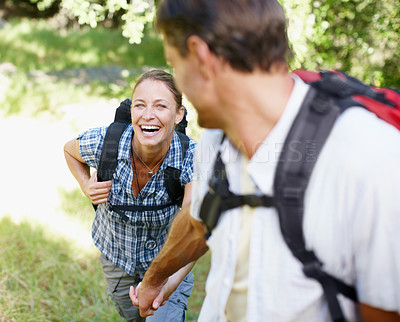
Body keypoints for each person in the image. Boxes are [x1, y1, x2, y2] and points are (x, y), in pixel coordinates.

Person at [129, 0, 400, 321]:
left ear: (201, 58)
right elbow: (196, 221)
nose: (181, 83)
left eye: (175, 64)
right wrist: (154, 281)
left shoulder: (370, 159)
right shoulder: (216, 139)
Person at [64, 69, 197, 321]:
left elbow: (194, 228)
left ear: (179, 114)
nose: (148, 115)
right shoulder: (107, 143)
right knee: (134, 317)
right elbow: (69, 150)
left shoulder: (192, 157)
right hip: (117, 259)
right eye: (140, 105)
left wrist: (164, 285)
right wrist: (85, 184)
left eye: (161, 106)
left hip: (168, 263)